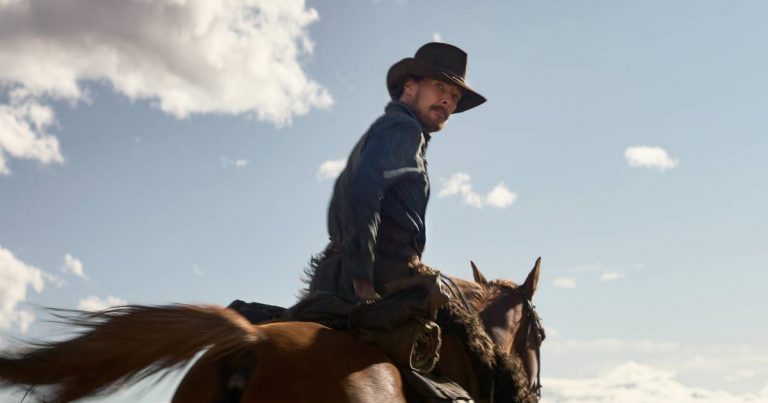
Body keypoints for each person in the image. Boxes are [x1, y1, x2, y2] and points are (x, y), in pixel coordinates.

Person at [307, 42, 486, 302]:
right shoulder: (404, 129)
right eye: (440, 87)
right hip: (379, 274)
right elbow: (365, 193)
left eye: (455, 96)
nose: (448, 100)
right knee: (466, 321)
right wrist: (363, 279)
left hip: (341, 270)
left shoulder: (391, 130)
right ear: (410, 87)